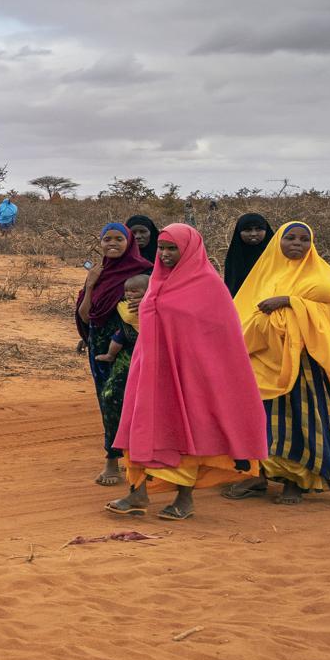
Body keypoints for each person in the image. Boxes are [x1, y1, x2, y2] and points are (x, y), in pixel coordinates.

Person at [105, 224, 268, 521]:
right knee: (142, 426)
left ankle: (185, 498)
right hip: (152, 370)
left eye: (172, 249)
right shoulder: (155, 281)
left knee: (184, 431)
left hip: (189, 375)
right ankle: (137, 493)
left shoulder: (209, 286)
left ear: (189, 249)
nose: (165, 255)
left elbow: (221, 337)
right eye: (162, 249)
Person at [224, 222, 330, 504]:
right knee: (260, 419)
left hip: (305, 366)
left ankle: (296, 481)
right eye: (290, 238)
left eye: (304, 239)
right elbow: (243, 313)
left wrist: (290, 302)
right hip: (264, 360)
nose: (297, 243)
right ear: (277, 241)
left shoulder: (323, 276)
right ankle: (259, 477)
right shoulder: (265, 273)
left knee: (299, 422)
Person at [74, 222, 152, 486]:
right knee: (105, 399)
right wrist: (91, 284)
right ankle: (114, 459)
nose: (113, 244)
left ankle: (132, 459)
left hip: (133, 345)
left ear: (129, 242)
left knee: (116, 396)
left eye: (119, 239)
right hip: (99, 344)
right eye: (107, 239)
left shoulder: (145, 272)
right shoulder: (99, 273)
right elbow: (86, 315)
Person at [94, 273, 150, 455]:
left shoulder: (156, 295)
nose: (130, 295)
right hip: (126, 349)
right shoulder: (105, 280)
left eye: (135, 291)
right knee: (112, 396)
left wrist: (153, 302)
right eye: (127, 291)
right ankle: (117, 452)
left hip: (151, 352)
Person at [221, 212, 273, 295]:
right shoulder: (234, 257)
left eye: (259, 229)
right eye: (247, 230)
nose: (253, 234)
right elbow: (232, 287)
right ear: (239, 232)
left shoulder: (276, 254)